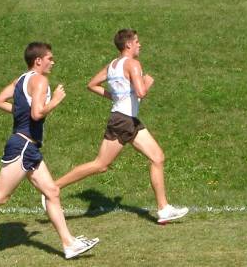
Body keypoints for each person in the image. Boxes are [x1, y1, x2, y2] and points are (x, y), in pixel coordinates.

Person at [0, 42, 99, 259]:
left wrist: (22, 111)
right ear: (38, 60)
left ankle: (69, 244)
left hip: (28, 147)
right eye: (50, 58)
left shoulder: (20, 79)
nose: (53, 62)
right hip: (23, 146)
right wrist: (56, 101)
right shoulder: (40, 80)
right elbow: (38, 114)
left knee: (52, 192)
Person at [51, 29, 188, 223]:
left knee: (157, 157)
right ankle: (53, 187)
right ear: (128, 45)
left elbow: (92, 85)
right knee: (100, 165)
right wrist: (147, 82)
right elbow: (140, 93)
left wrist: (113, 97)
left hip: (126, 119)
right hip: (124, 120)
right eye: (137, 42)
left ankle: (163, 208)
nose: (140, 45)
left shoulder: (113, 65)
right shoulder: (133, 64)